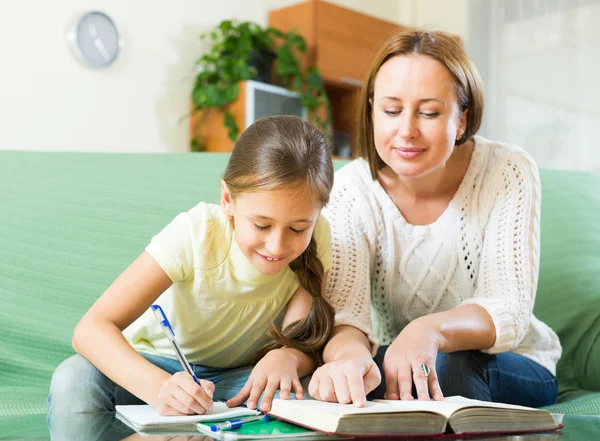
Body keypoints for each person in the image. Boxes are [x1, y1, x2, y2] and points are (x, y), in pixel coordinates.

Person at [308, 29, 562, 408]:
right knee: (339, 375)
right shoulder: (349, 191)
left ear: (462, 119)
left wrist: (430, 329)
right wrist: (349, 360)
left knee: (450, 367)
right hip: (402, 359)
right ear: (373, 109)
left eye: (429, 112)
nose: (406, 131)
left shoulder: (507, 170)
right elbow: (348, 317)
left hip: (510, 362)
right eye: (391, 111)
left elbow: (507, 308)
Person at [48, 115, 335, 416]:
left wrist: (289, 357)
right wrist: (161, 388)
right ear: (228, 199)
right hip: (155, 366)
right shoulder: (197, 232)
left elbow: (303, 339)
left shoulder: (320, 235)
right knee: (74, 381)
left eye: (298, 229)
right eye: (261, 225)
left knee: (306, 391)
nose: (277, 246)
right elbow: (90, 330)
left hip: (239, 377)